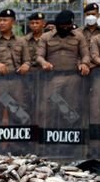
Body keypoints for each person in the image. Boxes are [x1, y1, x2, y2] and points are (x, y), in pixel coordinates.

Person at [36, 10, 90, 157]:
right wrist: (44, 62)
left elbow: (85, 54)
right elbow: (39, 56)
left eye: (67, 25)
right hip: (52, 78)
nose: (64, 28)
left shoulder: (79, 36)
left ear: (71, 24)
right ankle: (49, 145)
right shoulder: (46, 37)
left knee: (70, 111)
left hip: (73, 78)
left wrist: (84, 63)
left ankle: (70, 146)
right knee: (49, 109)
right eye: (61, 26)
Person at [0, 9, 31, 155]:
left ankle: (17, 149)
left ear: (13, 22)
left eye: (5, 20)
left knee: (18, 114)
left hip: (16, 83)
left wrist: (26, 65)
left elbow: (28, 60)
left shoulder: (21, 42)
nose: (1, 23)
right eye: (0, 20)